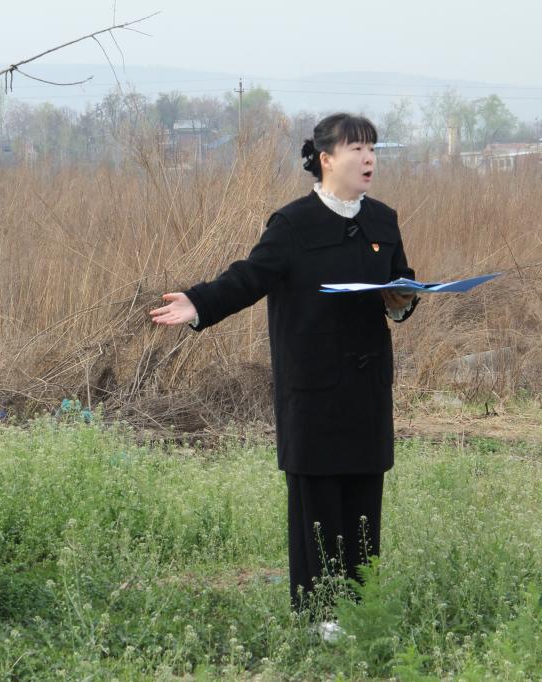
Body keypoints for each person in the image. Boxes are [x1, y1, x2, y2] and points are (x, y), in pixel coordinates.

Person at [149, 112, 420, 641]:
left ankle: (362, 607)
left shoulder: (383, 221)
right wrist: (199, 302)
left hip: (367, 387)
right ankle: (319, 615)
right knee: (318, 500)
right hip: (313, 389)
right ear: (326, 159)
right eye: (357, 149)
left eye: (372, 148)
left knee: (365, 499)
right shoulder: (293, 224)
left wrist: (402, 300)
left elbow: (399, 286)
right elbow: (250, 277)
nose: (368, 158)